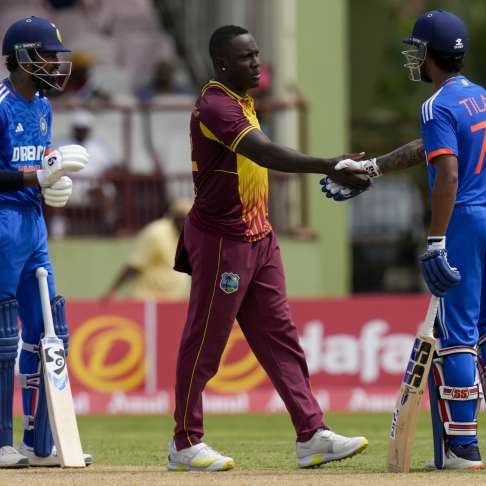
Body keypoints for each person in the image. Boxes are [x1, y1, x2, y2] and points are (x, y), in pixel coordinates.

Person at [322, 10, 486, 470]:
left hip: (466, 220)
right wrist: (373, 168)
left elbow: (448, 174)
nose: (413, 58)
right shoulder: (481, 97)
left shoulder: (434, 105)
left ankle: (463, 448)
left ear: (430, 55)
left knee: (456, 333)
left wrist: (437, 240)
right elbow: (431, 149)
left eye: (417, 50)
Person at [167, 25, 370, 472]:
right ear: (222, 63)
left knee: (281, 340)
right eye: (246, 57)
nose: (257, 63)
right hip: (224, 240)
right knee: (205, 342)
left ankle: (312, 435)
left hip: (258, 237)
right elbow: (263, 153)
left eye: (257, 54)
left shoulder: (241, 99)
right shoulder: (216, 105)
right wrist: (329, 165)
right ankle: (184, 442)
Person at [0, 16, 92, 468]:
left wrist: (50, 186)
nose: (56, 64)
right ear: (21, 57)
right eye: (47, 55)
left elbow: (40, 165)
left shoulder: (41, 106)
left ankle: (41, 444)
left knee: (47, 325)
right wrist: (36, 176)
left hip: (32, 223)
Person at [101, 198, 192, 301]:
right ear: (176, 217)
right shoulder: (157, 233)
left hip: (171, 303)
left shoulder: (186, 236)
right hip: (147, 301)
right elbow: (135, 265)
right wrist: (112, 290)